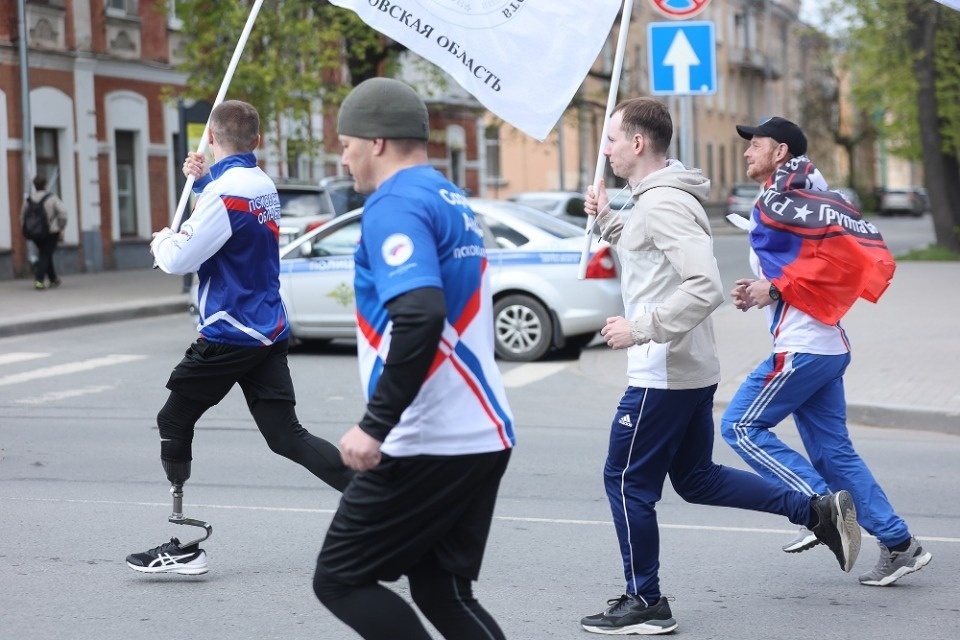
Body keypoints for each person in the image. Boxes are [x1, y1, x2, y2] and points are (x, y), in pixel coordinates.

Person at [579, 98, 862, 636]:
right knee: (696, 478)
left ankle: (646, 602)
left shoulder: (661, 202)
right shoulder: (656, 198)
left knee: (624, 481)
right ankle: (817, 512)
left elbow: (704, 287)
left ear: (638, 143)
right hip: (686, 365)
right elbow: (652, 256)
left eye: (612, 139)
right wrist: (611, 221)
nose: (607, 150)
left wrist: (638, 329)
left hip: (663, 369)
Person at [311, 77, 515, 640]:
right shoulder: (447, 194)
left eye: (347, 143)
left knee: (340, 579)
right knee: (441, 590)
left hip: (428, 437)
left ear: (376, 142)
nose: (344, 156)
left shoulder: (393, 204)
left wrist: (375, 425)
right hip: (478, 430)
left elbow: (421, 313)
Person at [125, 100, 352, 576]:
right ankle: (378, 502)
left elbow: (179, 260)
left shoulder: (225, 195)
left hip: (230, 330)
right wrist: (205, 181)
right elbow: (233, 219)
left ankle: (182, 538)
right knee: (286, 436)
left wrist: (163, 238)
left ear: (210, 137)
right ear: (259, 142)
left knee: (174, 417)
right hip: (266, 328)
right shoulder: (260, 185)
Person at [721, 116, 932, 586]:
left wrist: (772, 289)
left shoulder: (797, 201)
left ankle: (821, 508)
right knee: (836, 456)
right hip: (822, 345)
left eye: (754, 144)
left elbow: (829, 266)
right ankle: (900, 545)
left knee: (739, 426)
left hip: (805, 348)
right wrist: (764, 288)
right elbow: (799, 265)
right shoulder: (785, 199)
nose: (746, 152)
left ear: (780, 151)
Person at [22, 175, 68, 290]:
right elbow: (63, 213)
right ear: (45, 185)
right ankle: (39, 280)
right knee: (45, 254)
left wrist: (28, 229)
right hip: (51, 232)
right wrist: (61, 226)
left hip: (35, 233)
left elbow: (22, 216)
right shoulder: (52, 198)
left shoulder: (29, 199)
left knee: (45, 253)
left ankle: (53, 279)